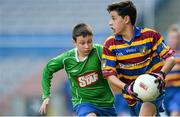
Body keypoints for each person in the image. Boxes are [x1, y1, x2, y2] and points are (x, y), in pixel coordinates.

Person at [101, 0, 176, 116]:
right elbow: (109, 75)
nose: (110, 23)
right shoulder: (110, 44)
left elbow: (170, 59)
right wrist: (126, 88)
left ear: (126, 19)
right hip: (131, 97)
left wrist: (161, 74)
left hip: (153, 91)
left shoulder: (150, 35)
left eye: (114, 18)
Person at [39, 23, 117, 116]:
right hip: (83, 103)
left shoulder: (99, 51)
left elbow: (115, 62)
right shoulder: (67, 59)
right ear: (74, 42)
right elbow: (47, 70)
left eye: (89, 41)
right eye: (82, 43)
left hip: (106, 103)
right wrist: (46, 96)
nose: (87, 46)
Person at [164, 24, 180, 116]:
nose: (173, 40)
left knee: (175, 113)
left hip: (178, 90)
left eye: (175, 38)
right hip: (166, 91)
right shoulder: (163, 57)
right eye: (171, 37)